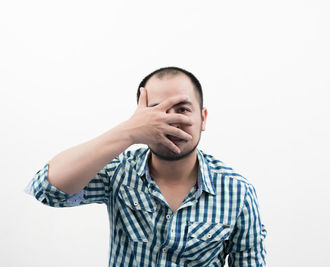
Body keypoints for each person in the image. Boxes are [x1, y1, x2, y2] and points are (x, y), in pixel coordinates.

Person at [25, 66, 267, 266]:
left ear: (202, 118)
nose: (171, 123)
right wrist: (128, 132)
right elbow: (46, 190)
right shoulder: (120, 171)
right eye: (157, 113)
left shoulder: (237, 191)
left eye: (182, 110)